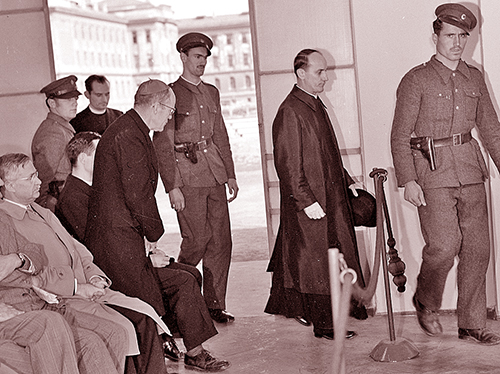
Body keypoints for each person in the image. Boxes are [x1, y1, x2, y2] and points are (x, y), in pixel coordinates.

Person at [86, 79, 230, 372]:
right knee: (178, 282)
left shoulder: (131, 129)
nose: (170, 117)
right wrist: (154, 238)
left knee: (186, 276)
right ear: (154, 105)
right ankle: (186, 350)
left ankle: (186, 347)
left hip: (123, 238)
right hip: (118, 246)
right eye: (169, 111)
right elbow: (138, 194)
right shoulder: (130, 136)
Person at [0, 153, 176, 374]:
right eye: (30, 178)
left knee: (140, 318)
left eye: (36, 175)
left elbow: (77, 250)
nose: (39, 181)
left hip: (84, 286)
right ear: (9, 186)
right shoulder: (6, 220)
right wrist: (76, 287)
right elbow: (31, 273)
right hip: (62, 295)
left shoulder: (42, 211)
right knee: (132, 325)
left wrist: (95, 276)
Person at [391, 3, 500, 346]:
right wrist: (408, 179)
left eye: (462, 36)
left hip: (469, 168)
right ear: (435, 36)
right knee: (444, 245)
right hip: (431, 173)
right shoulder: (416, 79)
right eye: (449, 35)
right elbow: (399, 135)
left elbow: (491, 131)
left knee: (478, 249)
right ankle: (426, 299)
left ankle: (471, 323)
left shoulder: (475, 77)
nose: (456, 42)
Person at [264, 49, 367, 340]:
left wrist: (346, 181)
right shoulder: (290, 110)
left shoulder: (312, 104)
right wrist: (306, 201)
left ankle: (329, 323)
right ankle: (324, 326)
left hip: (329, 199)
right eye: (320, 72)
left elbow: (328, 153)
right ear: (301, 73)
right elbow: (286, 164)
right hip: (311, 204)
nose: (325, 77)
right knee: (315, 267)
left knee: (326, 261)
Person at [153, 32, 239, 324]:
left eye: (205, 58)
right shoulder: (170, 93)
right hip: (187, 177)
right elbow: (163, 143)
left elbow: (221, 135)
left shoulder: (211, 91)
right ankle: (179, 303)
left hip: (214, 172)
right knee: (196, 241)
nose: (202, 62)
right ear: (183, 58)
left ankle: (214, 305)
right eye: (197, 57)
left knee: (220, 241)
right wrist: (172, 187)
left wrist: (230, 174)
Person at [0, 223, 127, 374]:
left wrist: (17, 259)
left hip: (36, 303)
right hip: (15, 312)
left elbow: (35, 251)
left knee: (111, 334)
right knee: (50, 322)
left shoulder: (3, 225)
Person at [32, 75, 80, 212]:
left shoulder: (61, 128)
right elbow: (43, 179)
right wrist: (44, 215)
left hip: (67, 201)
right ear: (52, 104)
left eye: (75, 98)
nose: (75, 103)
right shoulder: (53, 133)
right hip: (59, 206)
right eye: (68, 99)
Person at [55, 131, 101, 242]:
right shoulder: (71, 198)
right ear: (83, 159)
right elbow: (94, 240)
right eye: (100, 154)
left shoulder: (92, 187)